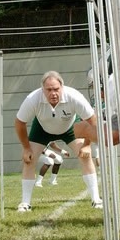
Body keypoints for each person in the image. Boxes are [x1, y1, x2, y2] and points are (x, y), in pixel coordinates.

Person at [14, 71, 99, 212]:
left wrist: (87, 145)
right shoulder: (33, 99)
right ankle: (25, 203)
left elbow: (92, 120)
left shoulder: (74, 96)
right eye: (49, 90)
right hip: (42, 128)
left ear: (62, 88)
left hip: (70, 126)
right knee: (29, 159)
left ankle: (96, 200)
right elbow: (19, 123)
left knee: (85, 156)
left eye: (56, 89)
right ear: (42, 90)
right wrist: (26, 148)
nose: (53, 93)